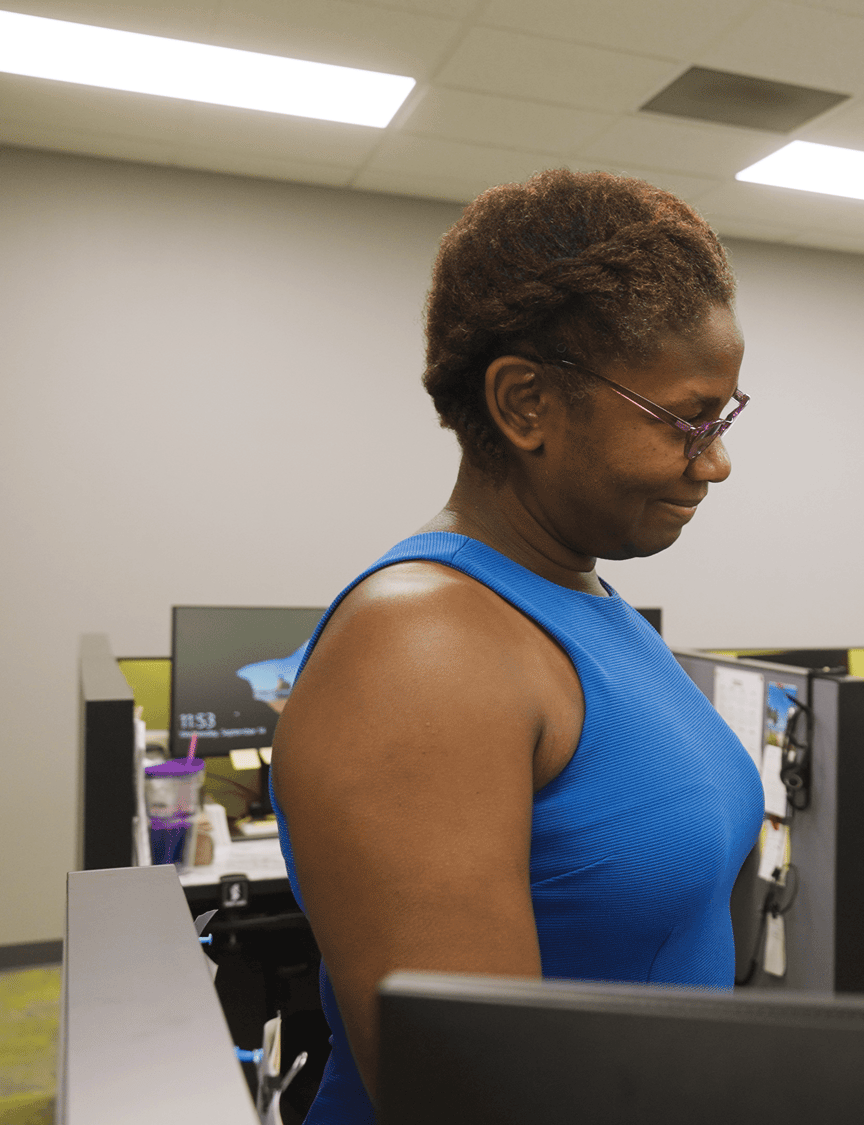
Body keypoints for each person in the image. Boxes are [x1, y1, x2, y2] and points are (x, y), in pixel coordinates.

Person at [271, 170, 761, 1123]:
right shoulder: (421, 648)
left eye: (727, 416)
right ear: (525, 402)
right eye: (688, 419)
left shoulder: (588, 600)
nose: (716, 459)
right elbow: (474, 1096)